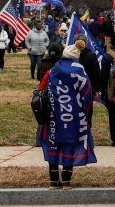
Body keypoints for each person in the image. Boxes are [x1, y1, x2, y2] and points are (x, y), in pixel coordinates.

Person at [38, 39, 96, 189]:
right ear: (76, 56)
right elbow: (88, 94)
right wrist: (84, 110)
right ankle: (66, 182)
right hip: (73, 117)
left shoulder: (52, 71)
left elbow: (40, 89)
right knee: (70, 144)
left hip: (53, 118)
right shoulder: (79, 70)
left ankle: (53, 182)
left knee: (53, 145)